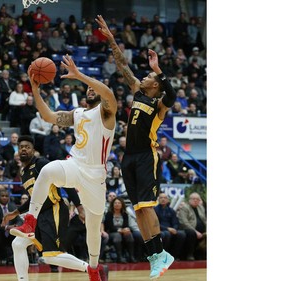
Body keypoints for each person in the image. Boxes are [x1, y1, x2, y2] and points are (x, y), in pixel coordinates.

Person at [10, 53, 117, 281]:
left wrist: (80, 75)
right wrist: (35, 89)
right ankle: (30, 221)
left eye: (93, 88)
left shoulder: (107, 113)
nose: (90, 90)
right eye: (87, 88)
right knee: (47, 170)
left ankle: (94, 268)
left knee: (93, 226)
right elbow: (48, 116)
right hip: (75, 165)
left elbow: (108, 93)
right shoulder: (77, 114)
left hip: (96, 175)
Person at [96, 15, 176, 279]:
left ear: (155, 84)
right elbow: (122, 65)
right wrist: (110, 38)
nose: (143, 76)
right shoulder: (138, 91)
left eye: (149, 75)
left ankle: (161, 253)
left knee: (148, 206)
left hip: (145, 156)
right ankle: (154, 256)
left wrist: (160, 70)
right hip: (128, 157)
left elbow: (172, 96)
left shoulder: (159, 105)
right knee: (139, 209)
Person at [1, 136, 108, 281]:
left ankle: (93, 269)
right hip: (38, 215)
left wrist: (78, 206)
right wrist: (14, 213)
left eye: (27, 147)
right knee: (18, 244)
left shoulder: (41, 163)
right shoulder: (23, 173)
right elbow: (34, 198)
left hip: (54, 209)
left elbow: (66, 183)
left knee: (51, 257)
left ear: (33, 150)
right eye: (21, 147)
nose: (24, 149)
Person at [0, 189, 23, 267]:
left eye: (6, 196)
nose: (4, 198)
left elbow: (19, 220)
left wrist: (16, 226)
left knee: (17, 231)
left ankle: (15, 259)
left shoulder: (13, 206)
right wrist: (6, 227)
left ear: (9, 198)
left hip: (10, 232)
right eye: (2, 196)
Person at [102, 197, 136, 263]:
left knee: (129, 234)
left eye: (119, 203)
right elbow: (109, 227)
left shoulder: (125, 214)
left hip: (122, 232)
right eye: (115, 203)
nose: (117, 204)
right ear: (113, 204)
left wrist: (126, 230)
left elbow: (126, 225)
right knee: (117, 236)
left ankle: (131, 256)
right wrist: (120, 230)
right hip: (112, 233)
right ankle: (119, 257)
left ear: (122, 204)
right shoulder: (109, 214)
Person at [154, 193, 186, 261]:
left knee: (181, 234)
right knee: (166, 234)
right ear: (158, 200)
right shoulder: (154, 210)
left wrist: (174, 228)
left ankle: (175, 255)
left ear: (168, 200)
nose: (163, 199)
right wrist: (167, 229)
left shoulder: (171, 211)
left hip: (171, 229)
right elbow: (155, 224)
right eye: (161, 198)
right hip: (160, 229)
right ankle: (163, 255)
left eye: (165, 198)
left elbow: (175, 222)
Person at [177, 192, 207, 260]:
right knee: (191, 233)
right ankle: (190, 255)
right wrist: (195, 231)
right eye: (193, 199)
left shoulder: (201, 207)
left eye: (197, 199)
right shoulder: (184, 208)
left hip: (201, 230)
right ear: (189, 200)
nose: (195, 200)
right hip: (188, 229)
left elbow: (204, 220)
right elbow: (184, 222)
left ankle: (203, 255)